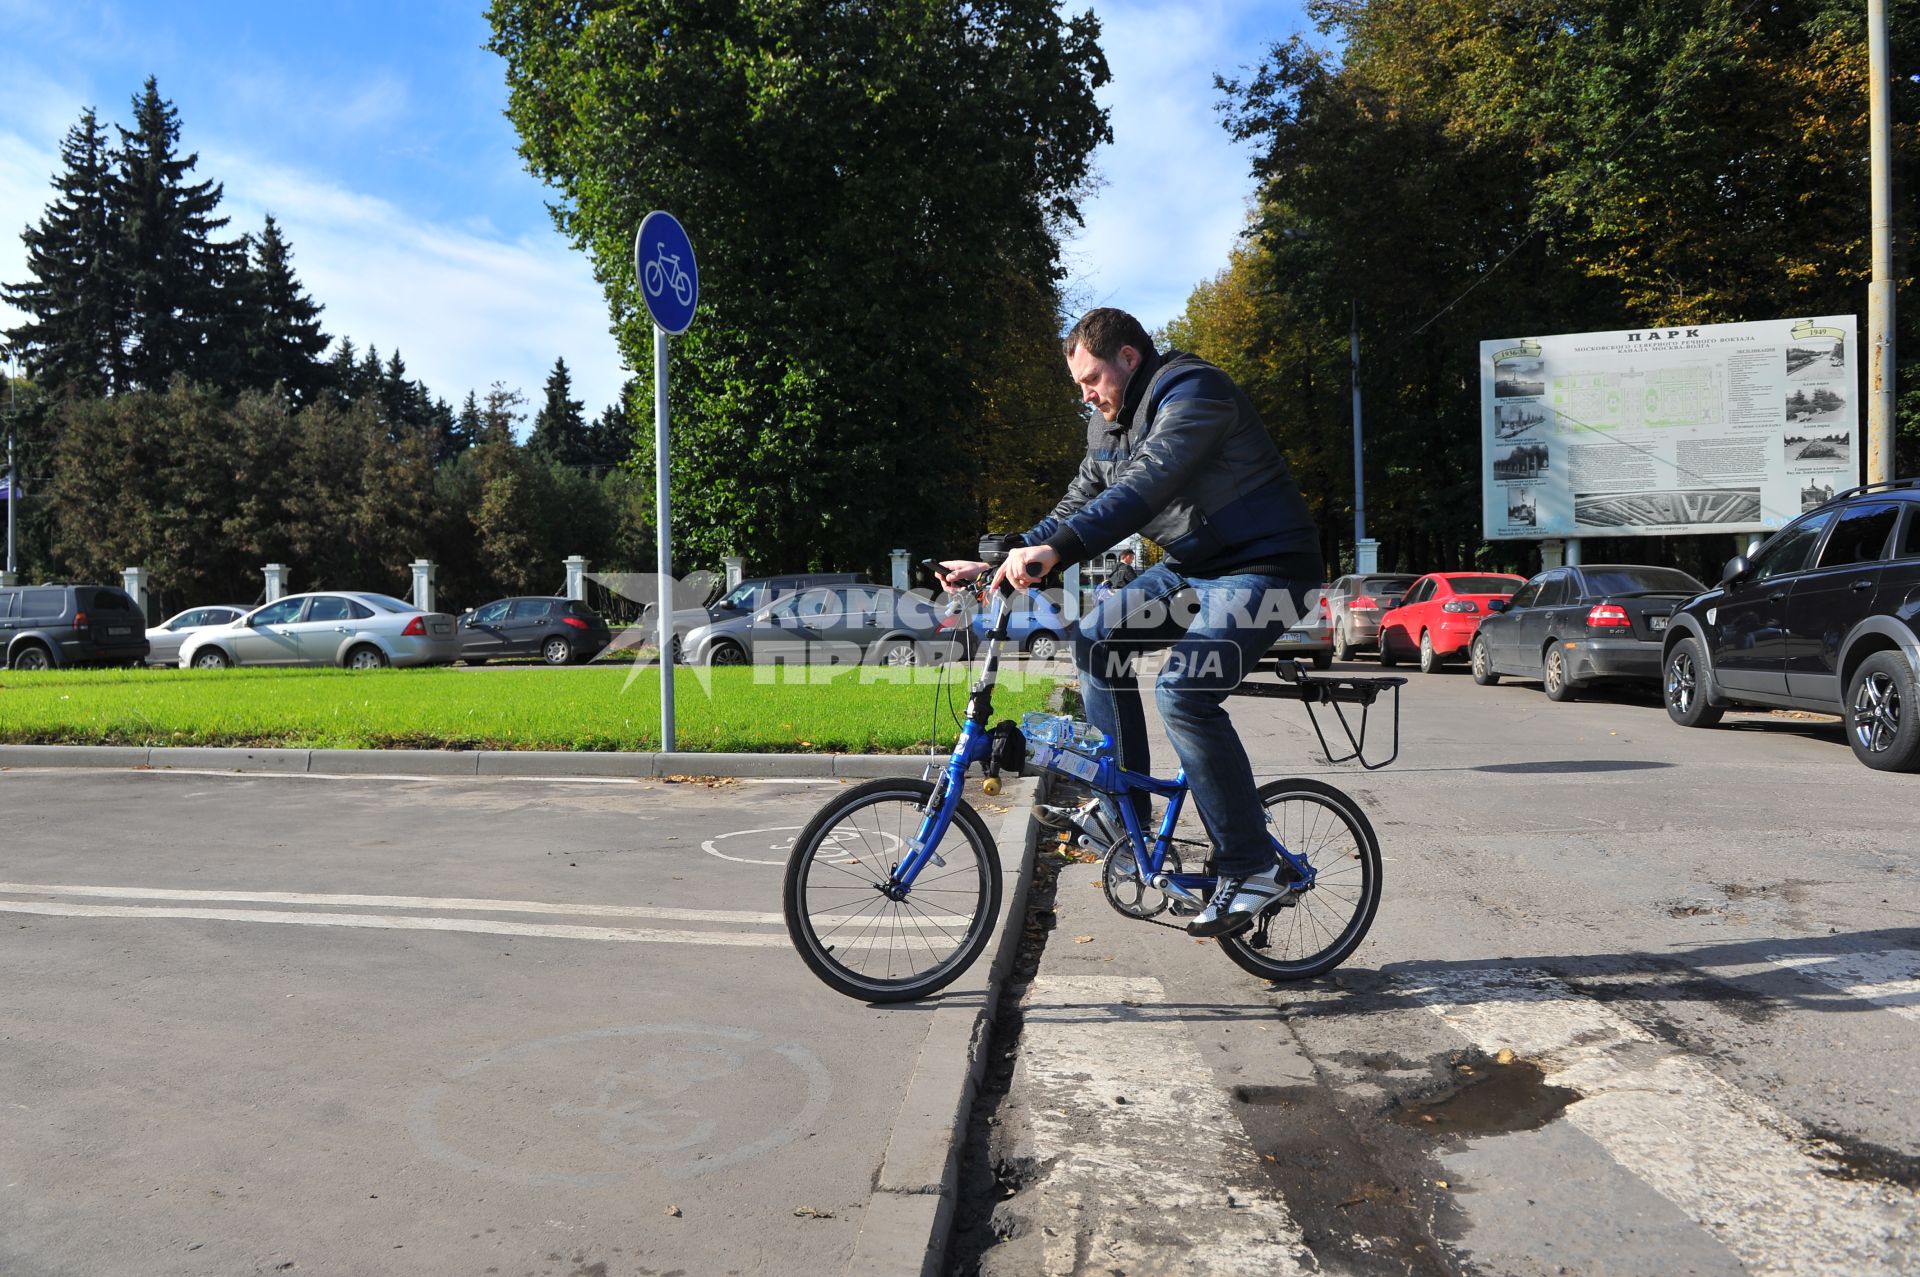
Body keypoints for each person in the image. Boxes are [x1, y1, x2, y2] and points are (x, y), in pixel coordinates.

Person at [941, 308, 1321, 938]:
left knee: (1184, 691)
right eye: (1080, 386)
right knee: (1092, 636)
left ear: (1129, 358)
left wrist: (1060, 551)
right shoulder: (1106, 424)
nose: (1087, 394)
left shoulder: (1195, 392)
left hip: (1267, 566)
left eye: (1093, 379)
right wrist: (999, 563)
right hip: (1195, 565)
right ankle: (1127, 818)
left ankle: (1253, 866)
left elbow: (1143, 489)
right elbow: (1078, 502)